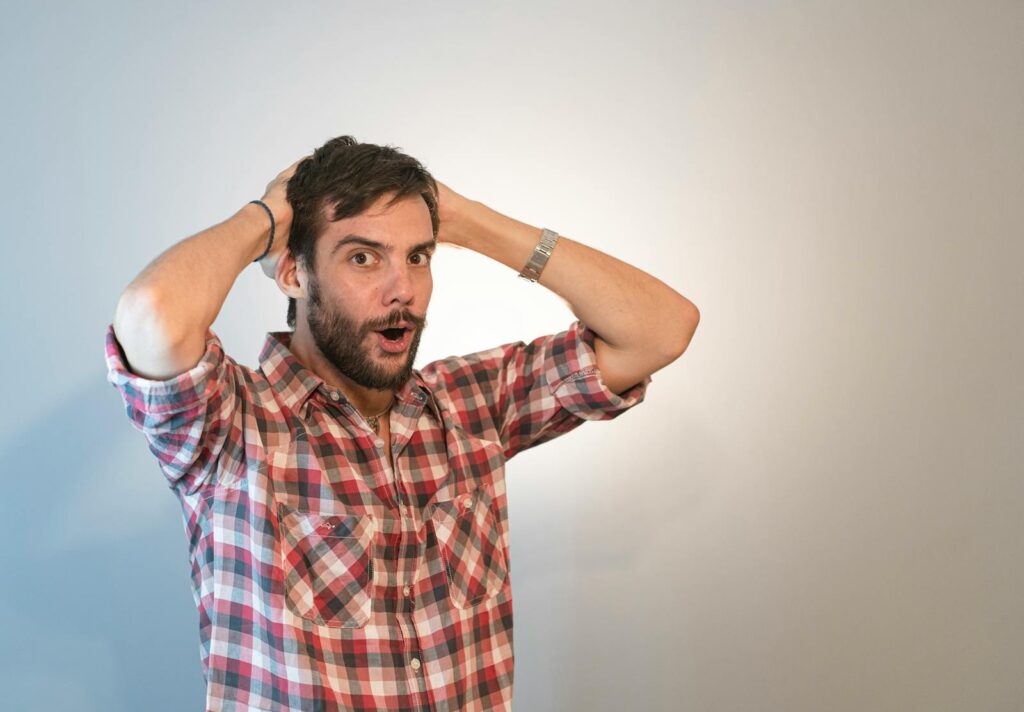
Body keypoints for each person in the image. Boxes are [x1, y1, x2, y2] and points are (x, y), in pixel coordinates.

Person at [104, 135, 699, 711]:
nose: (403, 290)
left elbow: (660, 327)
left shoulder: (471, 404)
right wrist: (264, 216)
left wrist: (465, 219)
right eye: (363, 257)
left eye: (418, 256)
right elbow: (153, 316)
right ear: (292, 274)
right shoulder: (231, 427)